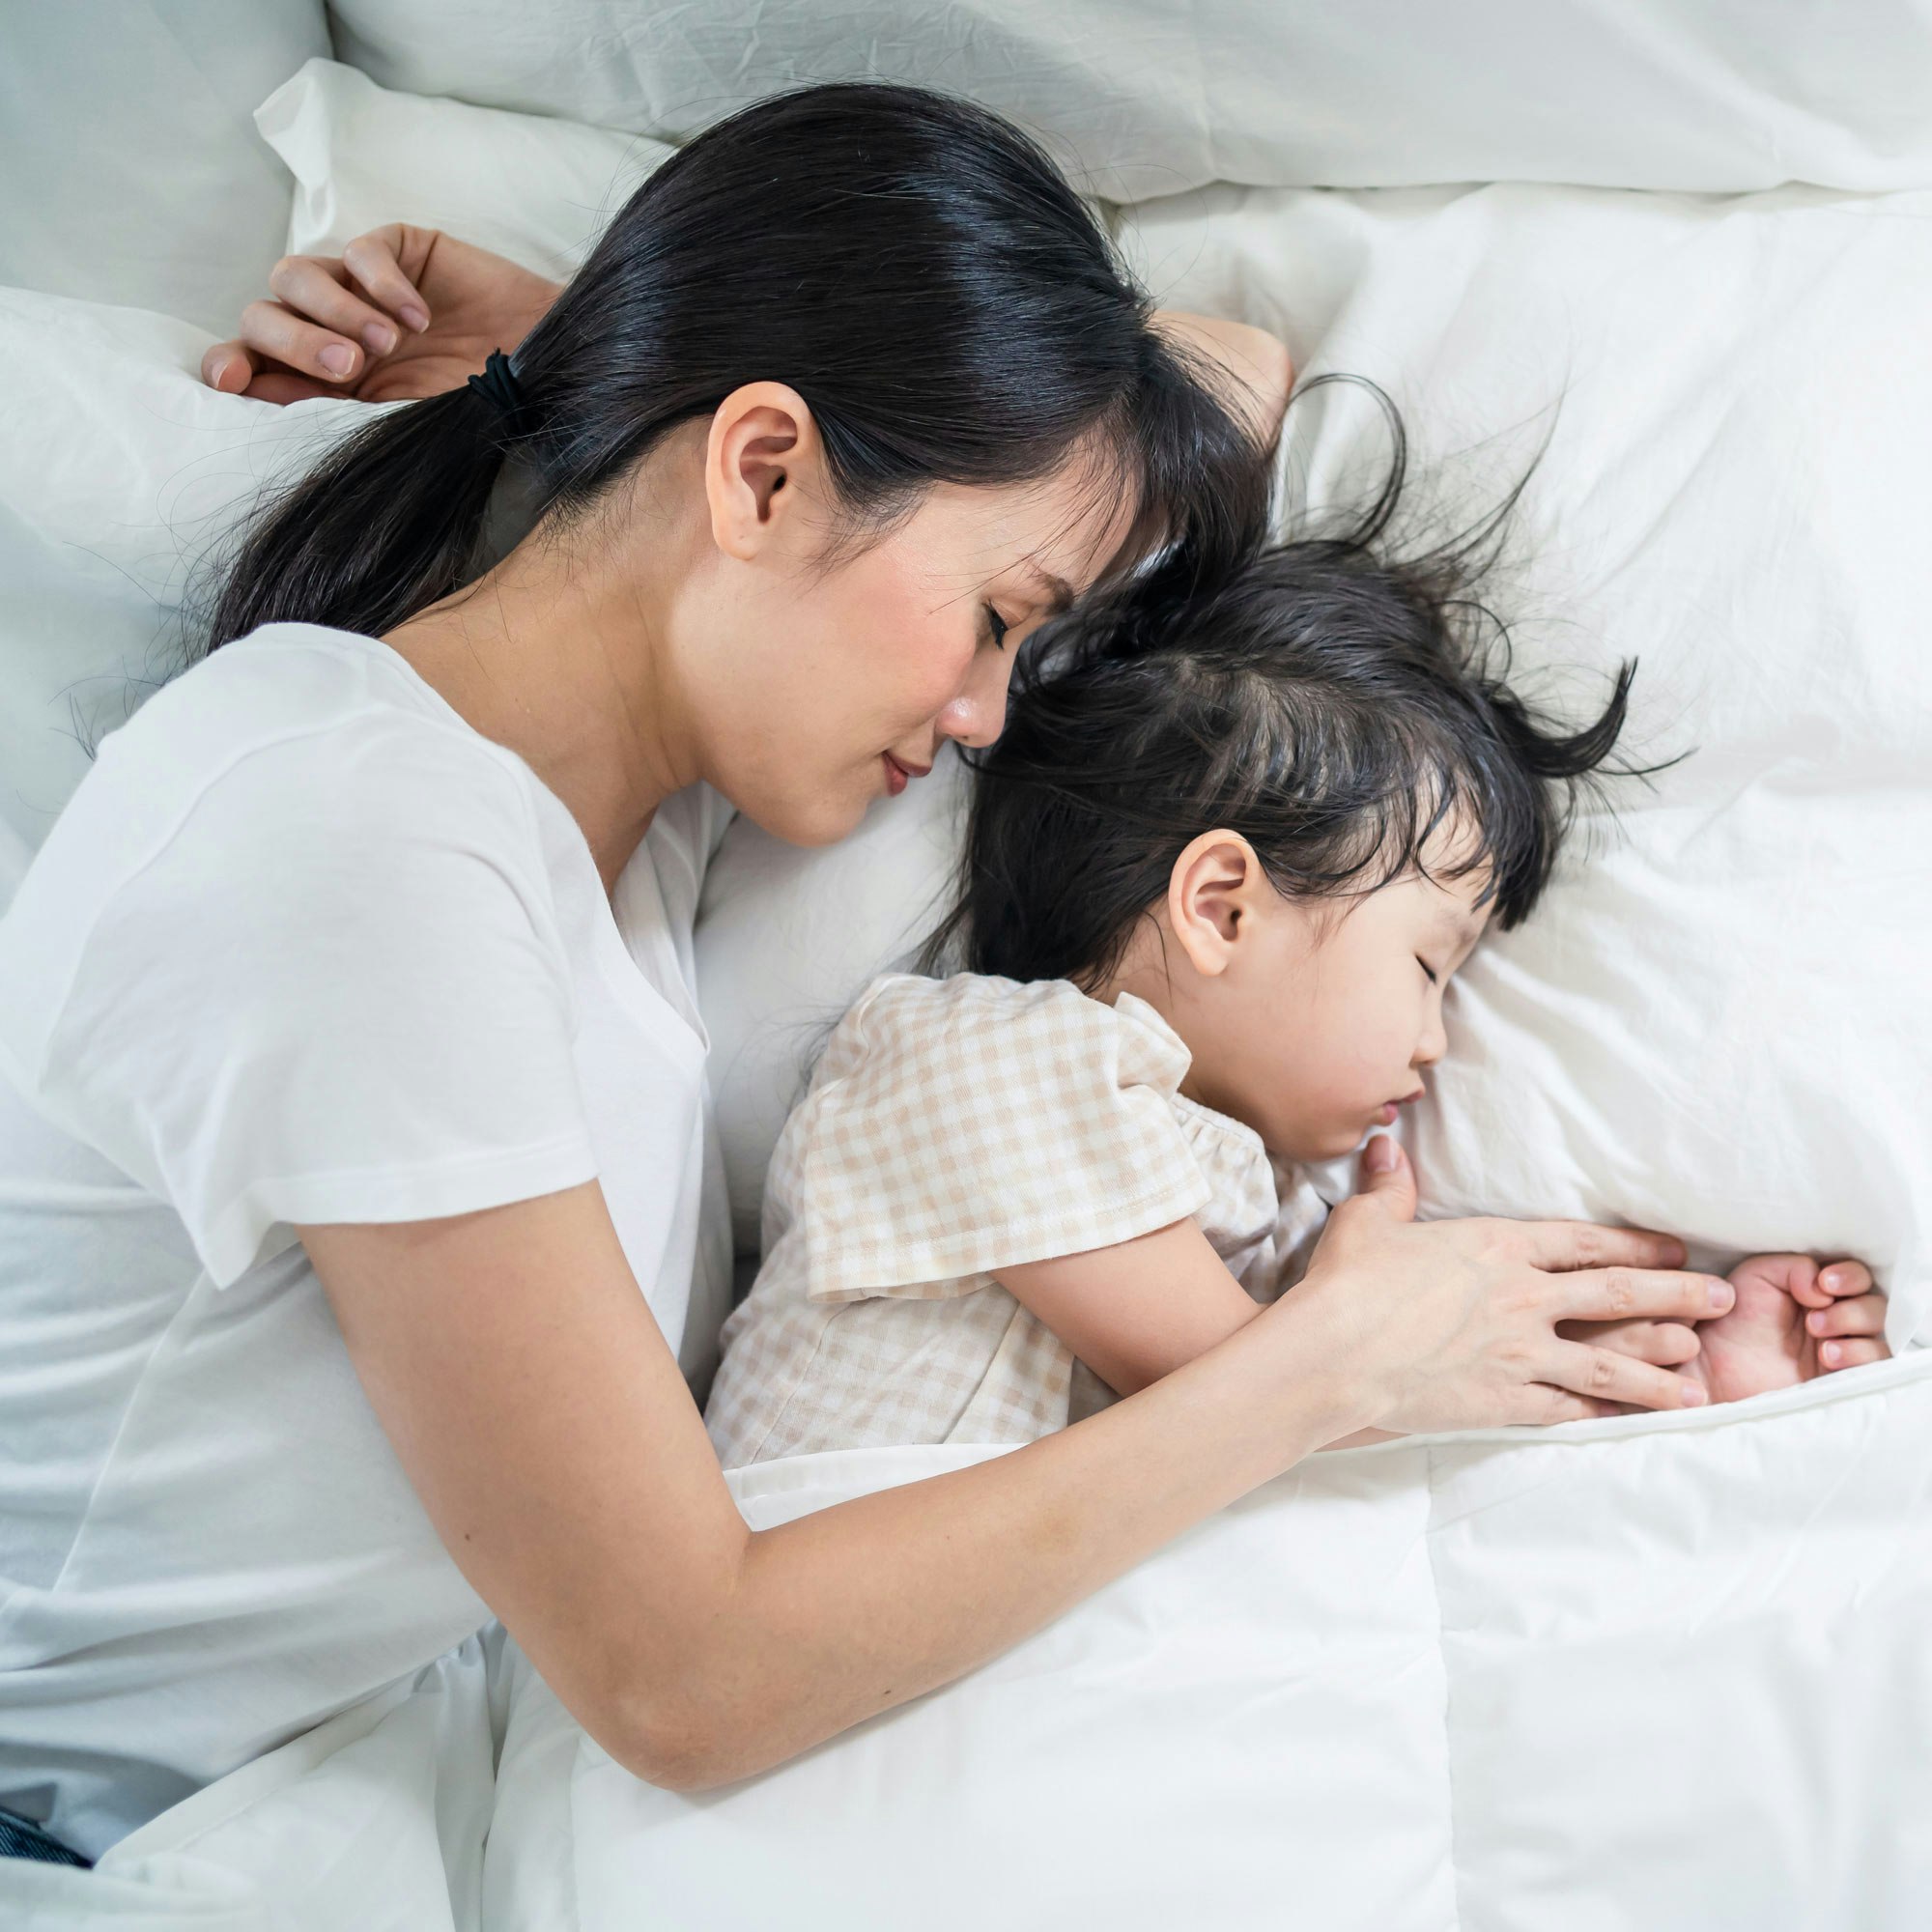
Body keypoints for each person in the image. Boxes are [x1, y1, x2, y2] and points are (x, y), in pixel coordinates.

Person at [0, 84, 1726, 1870]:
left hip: (286, 1807)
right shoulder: (359, 844)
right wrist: (1327, 1372)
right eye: (997, 621)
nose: (988, 715)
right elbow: (688, 1678)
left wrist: (577, 363)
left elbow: (1228, 375)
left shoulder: (632, 812)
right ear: (761, 473)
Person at [705, 446, 1889, 1465]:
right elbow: (1288, 1396)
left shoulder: (1253, 1221)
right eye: (1428, 966)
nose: (1435, 1038)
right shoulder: (969, 1056)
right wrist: (1405, 1337)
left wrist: (1671, 1364)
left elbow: (1382, 1379)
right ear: (1220, 906)